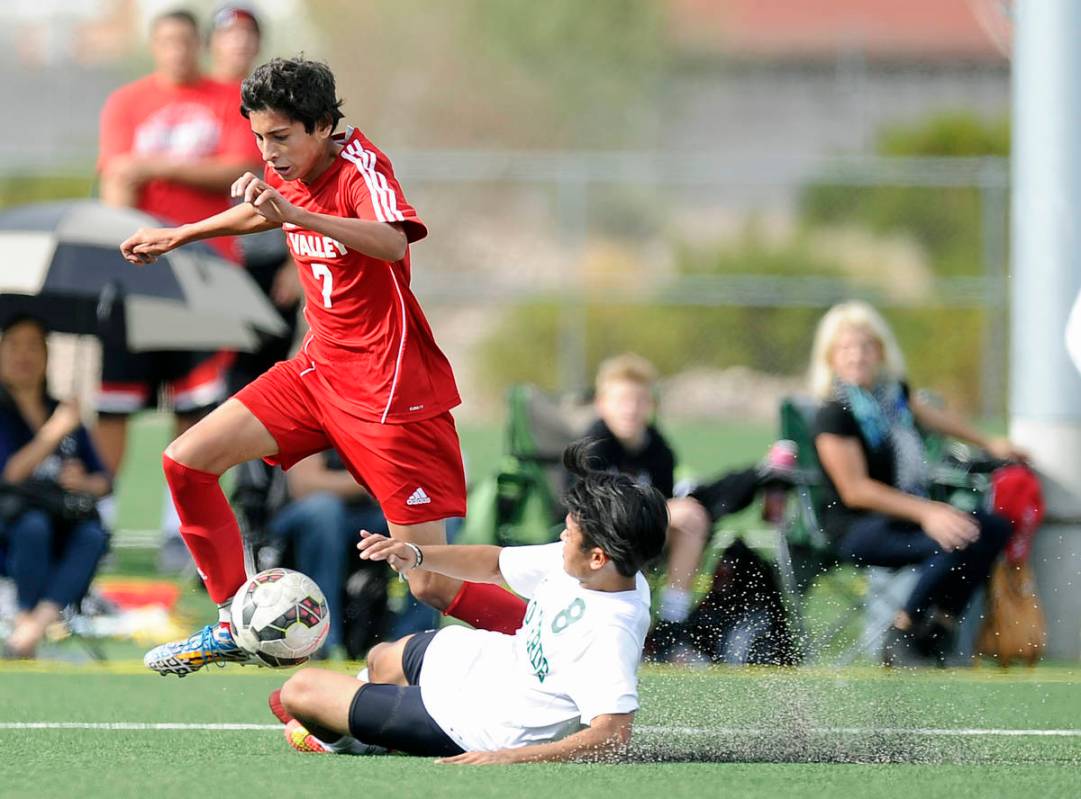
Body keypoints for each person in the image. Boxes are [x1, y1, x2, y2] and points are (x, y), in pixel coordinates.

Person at [121, 56, 527, 676]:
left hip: (389, 396)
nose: (268, 152)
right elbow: (268, 207)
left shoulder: (362, 165)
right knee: (185, 462)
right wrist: (180, 235)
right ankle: (235, 618)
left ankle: (553, 635)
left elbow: (392, 239)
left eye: (280, 137)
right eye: (259, 138)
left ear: (320, 126)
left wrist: (300, 218)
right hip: (316, 374)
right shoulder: (290, 169)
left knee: (431, 583)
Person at [268, 442, 667, 762]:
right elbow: (494, 563)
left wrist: (514, 757)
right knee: (382, 658)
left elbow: (613, 734)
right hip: (491, 667)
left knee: (300, 692)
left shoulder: (610, 631)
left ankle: (355, 741)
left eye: (570, 534)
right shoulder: (596, 567)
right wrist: (416, 554)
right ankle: (357, 715)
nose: (561, 539)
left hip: (476, 724)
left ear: (598, 557)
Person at [96, 8, 263, 571]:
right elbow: (117, 176)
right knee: (115, 399)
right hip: (137, 271)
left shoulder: (227, 98)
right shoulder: (127, 102)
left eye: (187, 41)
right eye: (167, 40)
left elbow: (240, 167)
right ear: (154, 45)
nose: (177, 50)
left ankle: (179, 529)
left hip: (206, 270)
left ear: (200, 45)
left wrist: (154, 165)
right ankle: (101, 517)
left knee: (195, 401)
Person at [809, 300, 1025, 665]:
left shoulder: (894, 399)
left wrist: (990, 443)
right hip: (855, 527)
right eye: (846, 349)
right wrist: (928, 512)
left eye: (865, 346)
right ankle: (902, 630)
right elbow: (855, 490)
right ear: (830, 358)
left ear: (880, 351)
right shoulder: (834, 414)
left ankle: (940, 626)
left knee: (992, 529)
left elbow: (937, 419)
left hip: (903, 515)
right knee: (951, 538)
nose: (857, 356)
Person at [577, 353, 793, 656]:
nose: (631, 409)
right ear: (602, 403)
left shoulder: (658, 448)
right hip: (591, 540)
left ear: (651, 405)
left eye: (640, 400)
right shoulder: (592, 446)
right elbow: (586, 508)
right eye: (622, 400)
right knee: (688, 514)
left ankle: (671, 625)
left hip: (642, 539)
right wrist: (657, 510)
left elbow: (663, 496)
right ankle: (659, 627)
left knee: (692, 520)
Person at [206, 4, 303, 397]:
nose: (239, 43)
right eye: (229, 34)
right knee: (211, 382)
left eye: (248, 34)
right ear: (211, 43)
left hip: (265, 257)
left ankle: (258, 463)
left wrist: (295, 263)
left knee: (267, 377)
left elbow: (305, 183)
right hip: (211, 259)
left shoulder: (279, 103)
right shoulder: (196, 101)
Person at [0, 316, 111, 658]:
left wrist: (84, 481)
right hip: (13, 520)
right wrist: (54, 431)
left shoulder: (63, 409)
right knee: (34, 527)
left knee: (93, 534)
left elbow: (104, 480)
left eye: (34, 346)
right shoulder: (23, 414)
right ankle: (23, 616)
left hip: (65, 514)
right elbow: (11, 473)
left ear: (48, 356)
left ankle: (32, 628)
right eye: (14, 345)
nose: (24, 355)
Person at [264, 449, 391, 656]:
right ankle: (323, 638)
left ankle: (410, 638)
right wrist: (376, 480)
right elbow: (305, 485)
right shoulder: (318, 418)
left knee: (438, 516)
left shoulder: (392, 423)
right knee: (324, 510)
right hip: (296, 517)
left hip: (365, 516)